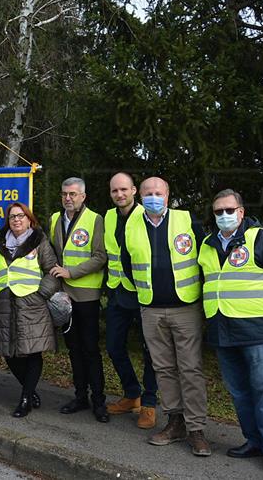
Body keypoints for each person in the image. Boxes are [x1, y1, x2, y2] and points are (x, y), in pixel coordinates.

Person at [198, 189, 263, 473]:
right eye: (218, 212)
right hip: (221, 328)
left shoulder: (260, 238)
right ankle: (253, 441)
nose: (224, 216)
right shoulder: (207, 244)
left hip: (256, 329)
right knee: (239, 392)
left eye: (229, 210)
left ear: (241, 212)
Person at [125, 176, 210, 456]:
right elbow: (128, 264)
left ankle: (196, 429)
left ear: (167, 195)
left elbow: (205, 260)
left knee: (191, 369)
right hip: (150, 308)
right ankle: (175, 423)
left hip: (185, 307)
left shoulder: (187, 220)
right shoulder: (132, 224)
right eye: (147, 192)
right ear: (140, 195)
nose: (152, 197)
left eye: (157, 192)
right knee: (163, 369)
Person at [48, 177, 109, 423]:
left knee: (90, 349)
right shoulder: (55, 219)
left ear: (83, 196)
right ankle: (80, 396)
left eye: (73, 194)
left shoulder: (95, 219)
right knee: (73, 348)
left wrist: (71, 272)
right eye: (64, 194)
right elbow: (52, 252)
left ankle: (99, 400)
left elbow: (100, 256)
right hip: (63, 297)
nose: (68, 198)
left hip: (87, 295)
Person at [0, 202, 60, 417]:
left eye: (21, 216)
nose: (16, 220)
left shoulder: (39, 242)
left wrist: (41, 294)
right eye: (12, 217)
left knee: (32, 352)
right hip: (4, 304)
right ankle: (29, 391)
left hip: (31, 305)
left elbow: (52, 271)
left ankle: (25, 399)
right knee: (9, 353)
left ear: (29, 219)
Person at [103, 172, 158, 429]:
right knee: (114, 347)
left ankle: (148, 404)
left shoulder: (146, 215)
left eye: (124, 189)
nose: (119, 194)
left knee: (151, 352)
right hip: (117, 292)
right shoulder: (109, 216)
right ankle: (132, 393)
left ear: (134, 191)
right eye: (115, 190)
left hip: (144, 295)